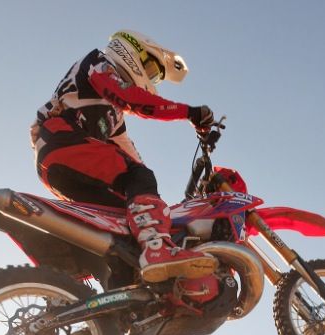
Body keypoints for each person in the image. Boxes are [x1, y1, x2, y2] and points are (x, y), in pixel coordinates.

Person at [31, 30, 218, 284]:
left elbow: (129, 152)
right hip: (64, 142)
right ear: (130, 49)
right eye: (151, 70)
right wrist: (190, 112)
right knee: (138, 176)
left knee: (123, 225)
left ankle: (114, 295)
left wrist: (157, 205)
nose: (149, 79)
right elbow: (132, 99)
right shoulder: (97, 63)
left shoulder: (114, 115)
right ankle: (157, 249)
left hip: (60, 162)